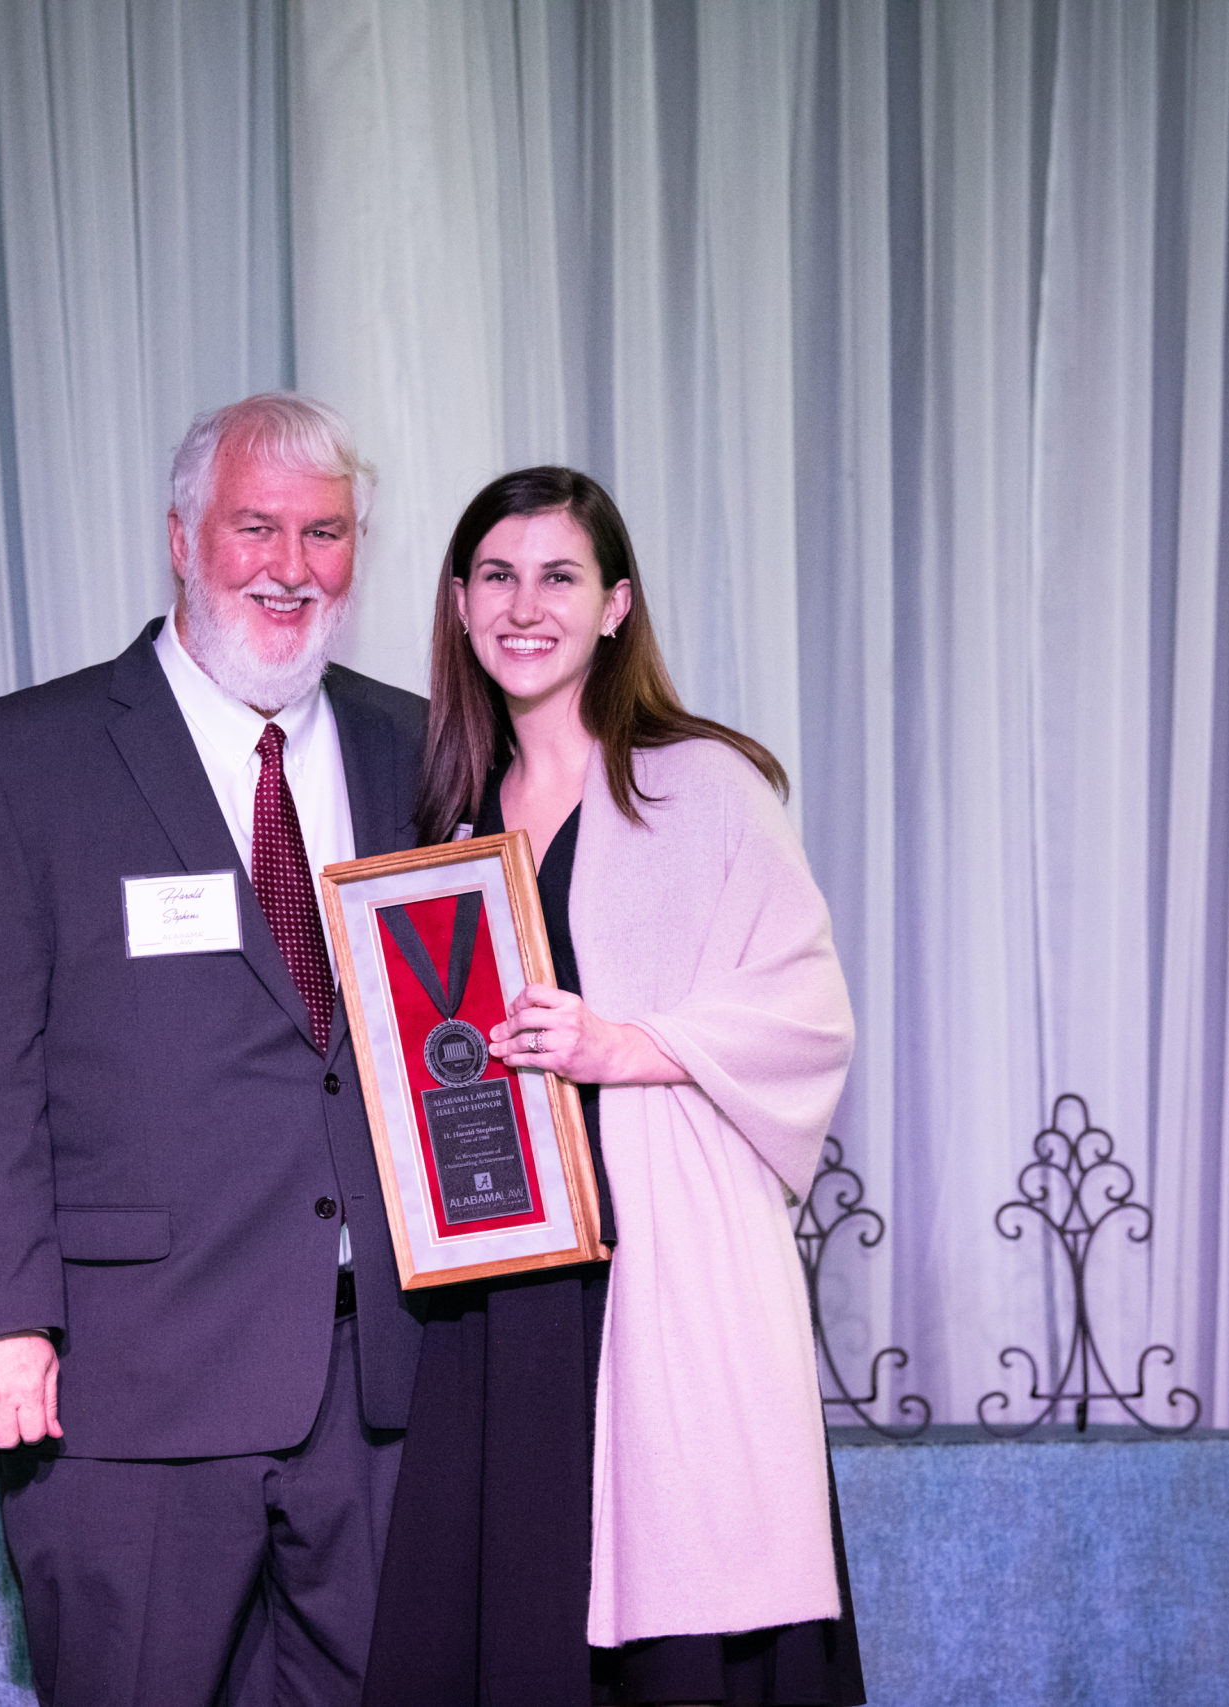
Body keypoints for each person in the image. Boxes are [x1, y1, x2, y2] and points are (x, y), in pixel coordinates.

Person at [0, 393, 428, 1707]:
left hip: (384, 1391)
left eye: (326, 531)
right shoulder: (20, 763)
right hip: (130, 1391)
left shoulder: (424, 748)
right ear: (182, 538)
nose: (291, 565)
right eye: (257, 526)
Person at [363, 467, 864, 1707]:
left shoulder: (702, 787)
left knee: (672, 1629)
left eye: (559, 577)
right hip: (495, 1294)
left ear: (615, 606)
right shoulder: (444, 816)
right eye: (496, 575)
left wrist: (622, 1043)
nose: (523, 605)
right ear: (460, 603)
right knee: (510, 1622)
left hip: (655, 1282)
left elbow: (809, 1018)